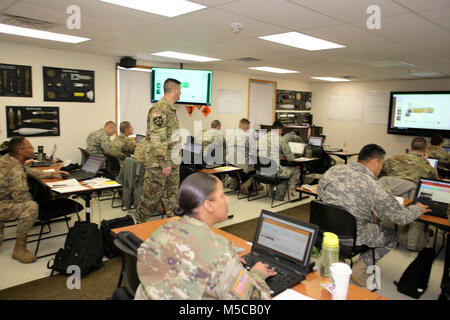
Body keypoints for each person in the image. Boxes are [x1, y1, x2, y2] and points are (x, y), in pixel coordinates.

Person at [135, 172, 276, 300]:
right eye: (221, 195)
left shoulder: (167, 227)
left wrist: (228, 265)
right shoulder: (219, 253)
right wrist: (257, 274)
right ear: (209, 206)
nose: (226, 199)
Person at [318, 144, 430, 287]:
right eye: (381, 164)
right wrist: (418, 209)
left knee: (349, 225)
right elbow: (400, 218)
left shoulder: (333, 171)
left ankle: (338, 260)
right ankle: (360, 268)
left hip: (326, 232)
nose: (381, 168)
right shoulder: (374, 186)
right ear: (376, 162)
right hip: (352, 237)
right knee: (392, 236)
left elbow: (321, 194)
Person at [0, 137, 68, 263]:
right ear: (20, 151)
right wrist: (50, 196)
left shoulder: (9, 160)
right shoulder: (14, 169)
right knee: (31, 207)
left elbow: (28, 171)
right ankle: (19, 249)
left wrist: (50, 174)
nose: (33, 149)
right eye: (30, 147)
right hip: (2, 205)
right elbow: (21, 198)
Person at [136, 78, 181, 223]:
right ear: (174, 90)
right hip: (159, 165)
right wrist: (165, 163)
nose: (180, 93)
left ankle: (175, 230)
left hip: (172, 163)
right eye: (179, 90)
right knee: (150, 199)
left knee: (172, 198)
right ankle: (138, 228)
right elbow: (157, 138)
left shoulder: (170, 109)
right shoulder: (159, 109)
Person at [226, 118, 255, 194]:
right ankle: (246, 185)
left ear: (239, 125)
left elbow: (227, 149)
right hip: (240, 168)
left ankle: (237, 183)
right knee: (255, 168)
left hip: (228, 165)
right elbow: (253, 151)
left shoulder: (230, 135)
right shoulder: (248, 136)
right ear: (247, 127)